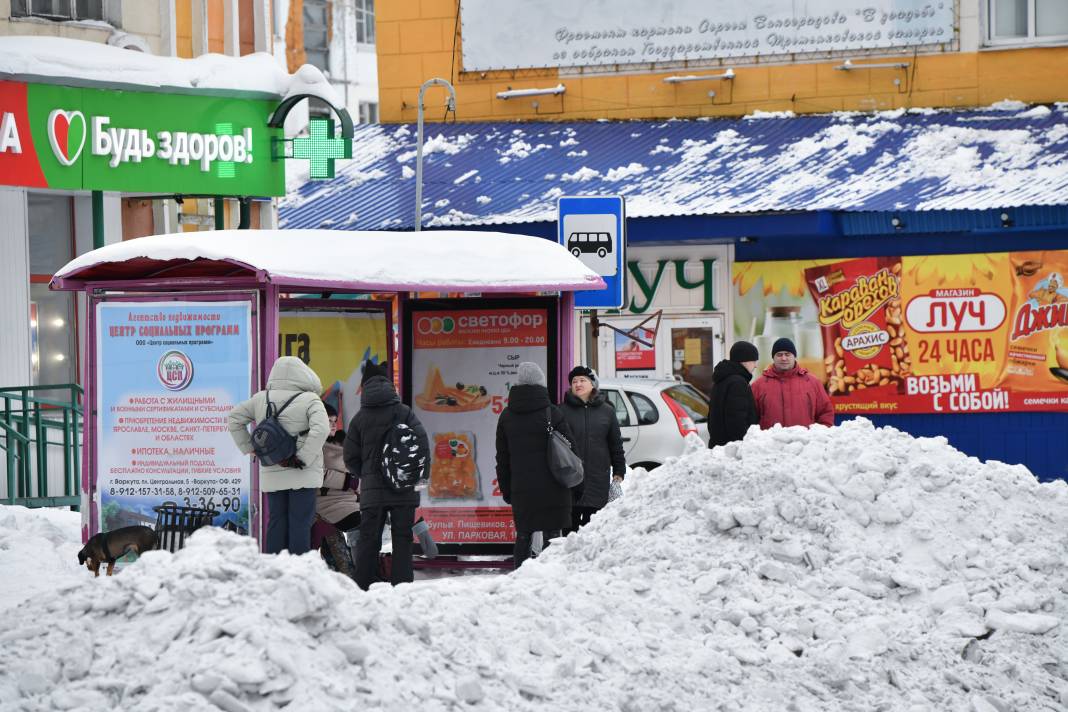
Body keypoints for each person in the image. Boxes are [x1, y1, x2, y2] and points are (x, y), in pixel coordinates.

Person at [228, 356, 329, 555]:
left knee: (276, 521)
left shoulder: (260, 398)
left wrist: (250, 447)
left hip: (272, 470)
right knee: (300, 523)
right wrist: (302, 458)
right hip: (304, 474)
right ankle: (298, 570)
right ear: (304, 375)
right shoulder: (310, 400)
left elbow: (234, 419)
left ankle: (273, 569)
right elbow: (321, 429)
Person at [343, 360, 429, 590]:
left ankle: (364, 586)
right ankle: (401, 586)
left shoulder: (360, 419)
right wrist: (418, 484)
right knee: (402, 539)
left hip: (373, 493)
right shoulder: (404, 412)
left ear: (365, 387)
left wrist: (367, 475)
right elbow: (422, 447)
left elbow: (349, 457)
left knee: (369, 539)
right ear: (389, 385)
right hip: (405, 488)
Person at [496, 362, 580, 569]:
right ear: (541, 384)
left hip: (522, 489)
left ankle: (520, 580)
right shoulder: (553, 413)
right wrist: (576, 489)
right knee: (552, 536)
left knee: (524, 535)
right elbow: (572, 453)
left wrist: (508, 491)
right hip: (555, 487)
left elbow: (502, 459)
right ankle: (550, 579)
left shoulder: (506, 416)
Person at [560, 365, 625, 531]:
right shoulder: (561, 411)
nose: (578, 384)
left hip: (597, 479)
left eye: (582, 380)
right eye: (574, 381)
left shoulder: (607, 412)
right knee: (569, 532)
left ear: (593, 385)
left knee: (593, 532)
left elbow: (615, 444)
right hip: (571, 480)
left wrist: (619, 472)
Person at [315, 402, 361, 579]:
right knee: (361, 529)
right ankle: (358, 573)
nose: (333, 424)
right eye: (329, 420)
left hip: (346, 501)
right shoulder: (316, 446)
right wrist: (349, 481)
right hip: (331, 503)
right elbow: (318, 474)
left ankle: (350, 573)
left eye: (335, 420)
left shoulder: (342, 443)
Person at [751, 337, 834, 430]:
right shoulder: (758, 385)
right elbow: (750, 418)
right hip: (771, 443)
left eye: (787, 354)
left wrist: (819, 436)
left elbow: (825, 413)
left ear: (794, 356)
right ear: (773, 357)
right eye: (779, 355)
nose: (783, 358)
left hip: (805, 442)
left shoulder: (813, 382)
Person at [708, 341, 761, 447]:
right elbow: (736, 420)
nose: (756, 365)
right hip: (733, 449)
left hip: (719, 444)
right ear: (744, 360)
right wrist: (743, 445)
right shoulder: (738, 383)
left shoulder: (723, 379)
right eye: (754, 361)